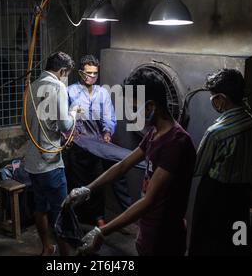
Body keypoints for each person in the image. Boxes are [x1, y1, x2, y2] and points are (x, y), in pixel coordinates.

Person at [64, 67, 197, 256]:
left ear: (151, 106)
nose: (133, 115)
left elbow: (149, 201)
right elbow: (123, 165)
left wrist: (102, 231)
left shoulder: (176, 143)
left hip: (165, 238)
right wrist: (88, 189)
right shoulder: (154, 133)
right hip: (148, 231)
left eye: (135, 108)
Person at [188, 68, 252, 256]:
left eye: (213, 97)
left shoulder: (216, 132)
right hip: (242, 194)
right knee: (239, 239)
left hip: (215, 195)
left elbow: (197, 168)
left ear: (221, 98)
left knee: (208, 242)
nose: (212, 101)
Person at [24, 51, 81, 256]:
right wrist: (74, 112)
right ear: (62, 71)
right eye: (67, 74)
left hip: (32, 162)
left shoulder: (32, 87)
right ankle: (66, 258)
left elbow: (28, 126)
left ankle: (47, 247)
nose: (66, 79)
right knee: (61, 211)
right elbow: (65, 124)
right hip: (50, 163)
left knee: (40, 207)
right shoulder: (57, 86)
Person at [65, 55, 132, 227]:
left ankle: (99, 217)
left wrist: (108, 132)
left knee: (97, 182)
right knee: (78, 182)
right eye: (89, 73)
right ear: (81, 73)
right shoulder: (70, 92)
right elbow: (63, 118)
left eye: (95, 74)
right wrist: (68, 135)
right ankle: (76, 219)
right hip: (78, 144)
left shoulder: (102, 93)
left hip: (96, 143)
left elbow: (109, 116)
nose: (92, 77)